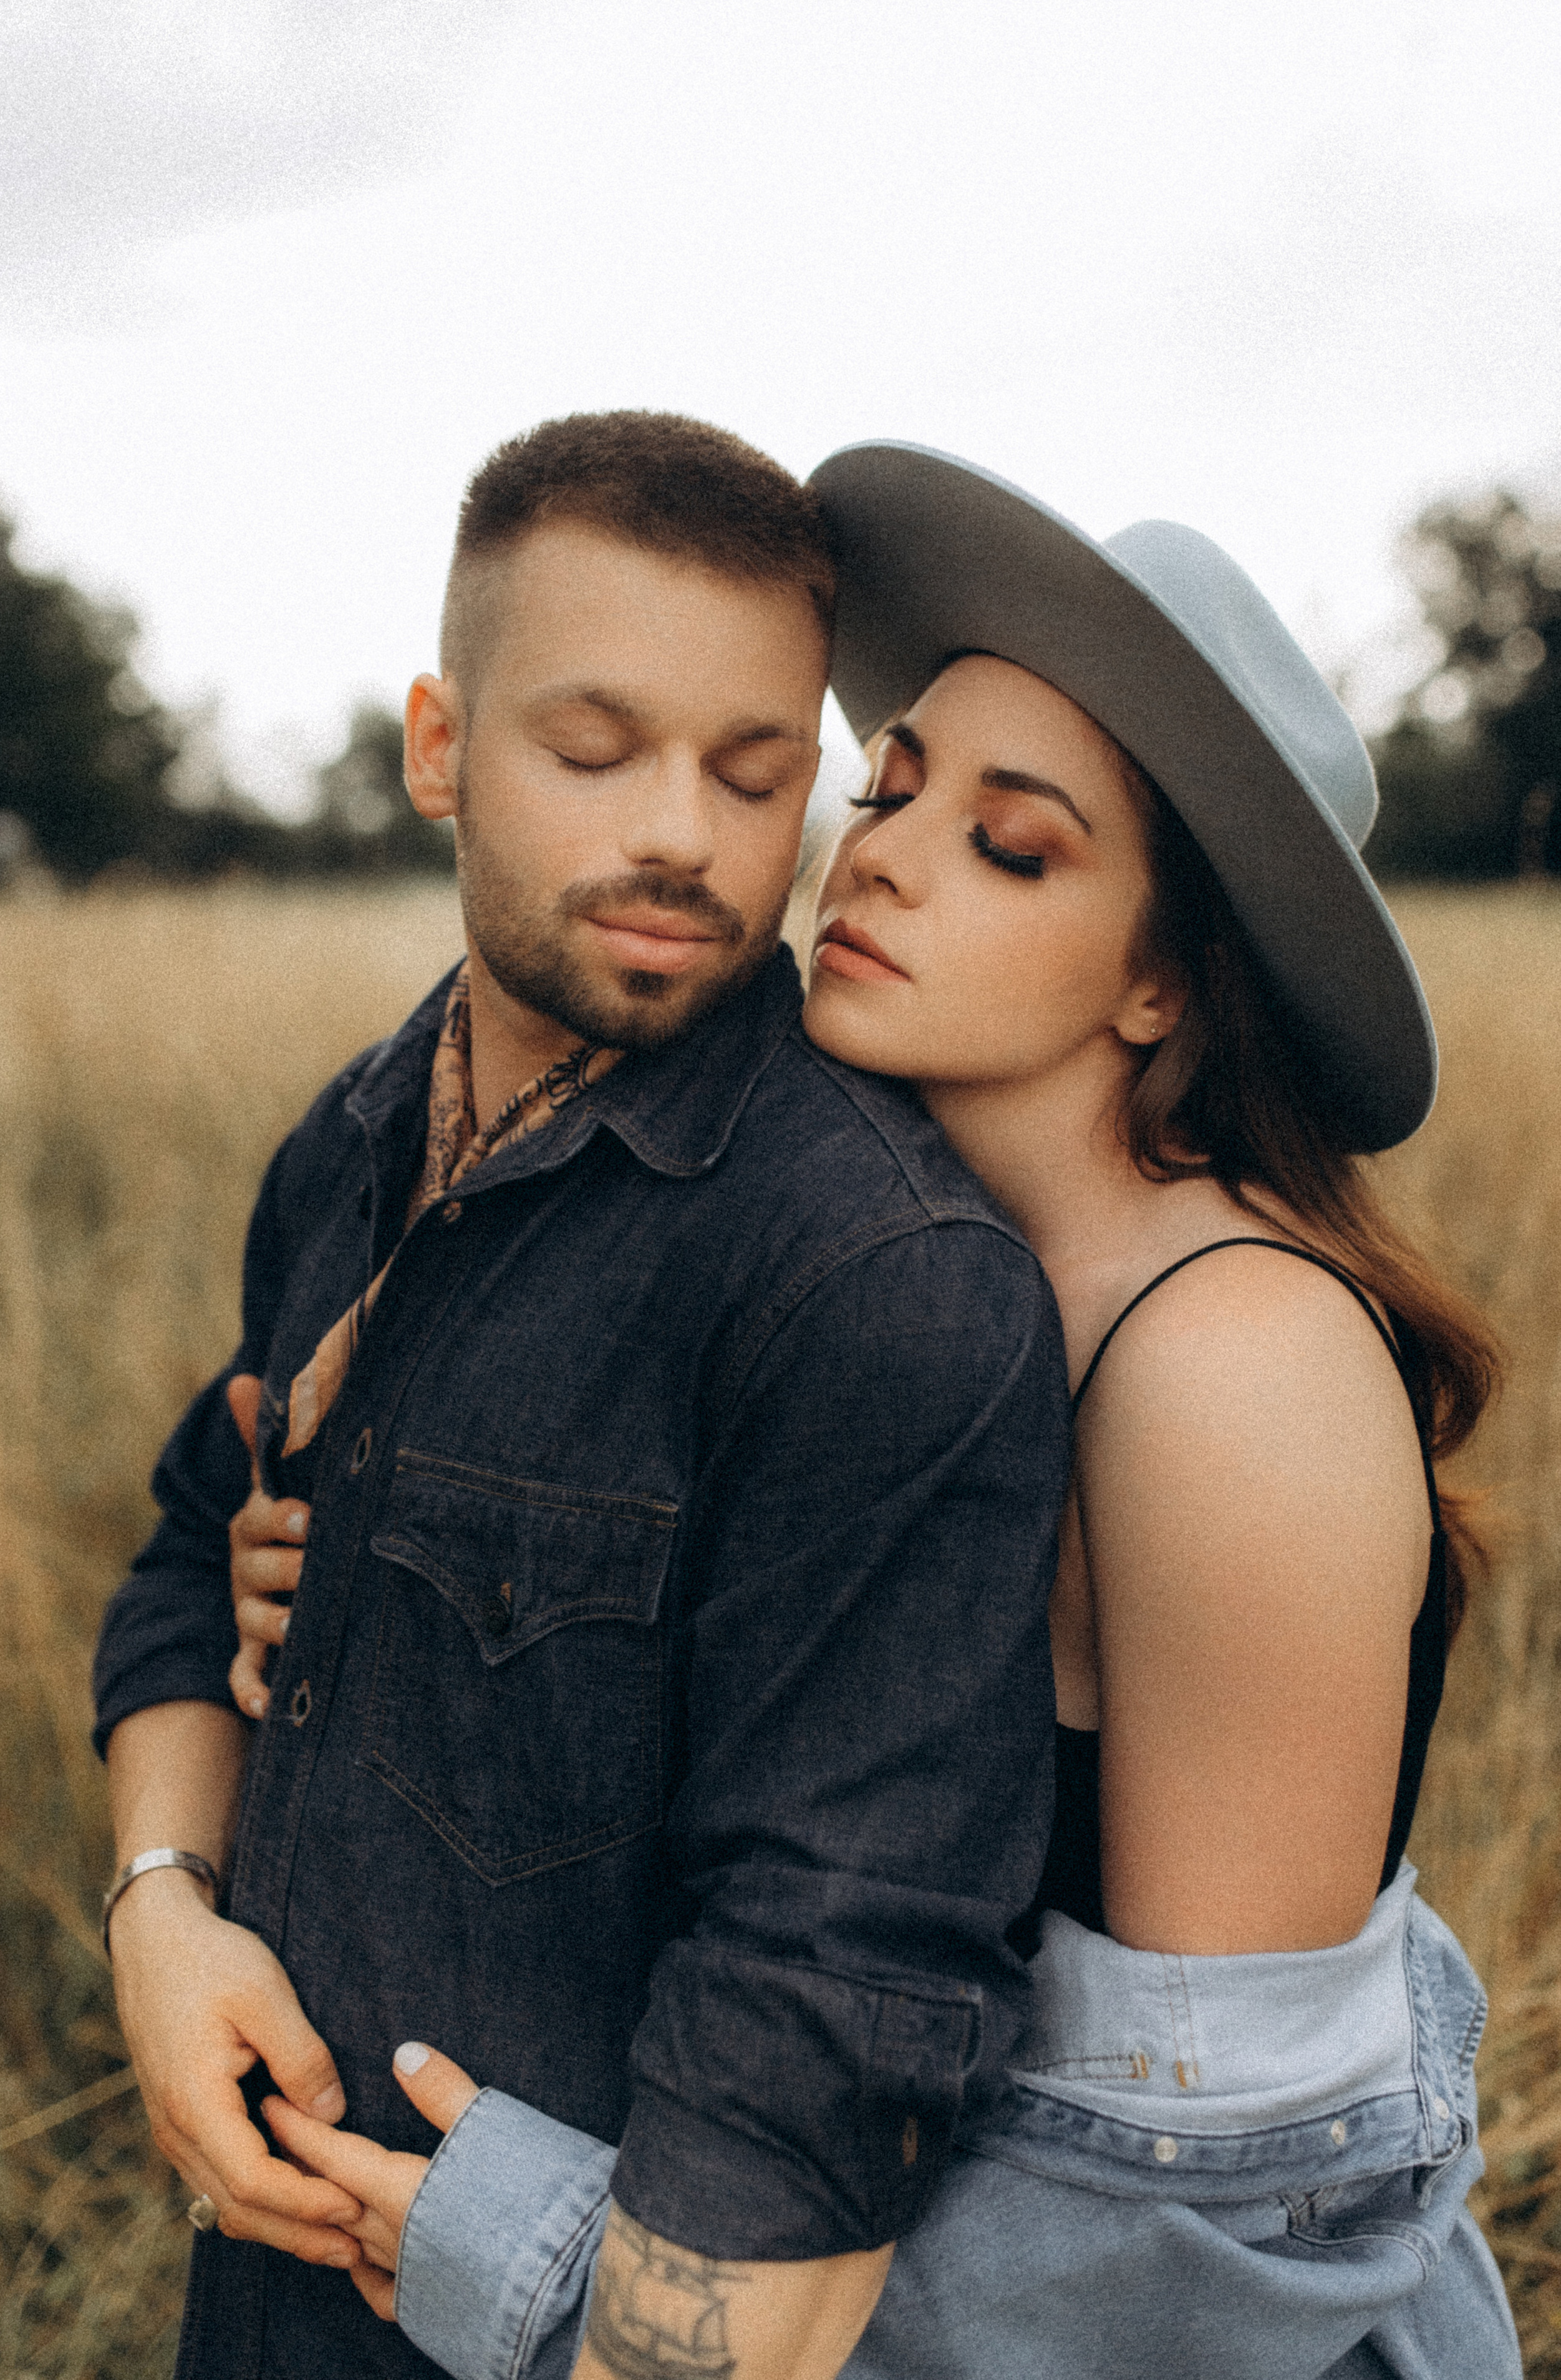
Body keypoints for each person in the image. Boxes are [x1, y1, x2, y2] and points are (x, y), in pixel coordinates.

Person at [236, 444, 1519, 2379]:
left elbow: (1212, 2208)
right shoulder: (862, 1227)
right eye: (889, 785)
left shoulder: (1226, 1363)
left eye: (1013, 846)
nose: (884, 857)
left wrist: (545, 2261)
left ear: (1164, 981)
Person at [90, 415, 1073, 2380]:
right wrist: (159, 1913)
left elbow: (831, 1997)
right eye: (594, 749)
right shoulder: (349, 1143)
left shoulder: (876, 1280)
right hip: (261, 2309)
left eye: (755, 769)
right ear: (440, 746)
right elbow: (198, 1546)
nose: (683, 839)